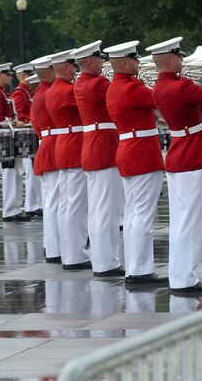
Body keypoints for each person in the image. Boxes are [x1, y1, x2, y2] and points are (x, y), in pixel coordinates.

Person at [148, 37, 202, 295]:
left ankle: (180, 275)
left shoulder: (159, 87)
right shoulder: (180, 86)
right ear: (171, 60)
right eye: (180, 57)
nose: (184, 61)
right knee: (190, 221)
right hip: (191, 154)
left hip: (178, 152)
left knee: (181, 220)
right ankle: (185, 278)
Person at [104, 41, 168, 288]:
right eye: (134, 59)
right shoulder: (132, 87)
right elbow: (161, 98)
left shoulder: (115, 87)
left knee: (133, 214)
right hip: (142, 153)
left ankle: (135, 267)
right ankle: (140, 270)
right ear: (123, 62)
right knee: (142, 214)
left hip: (129, 151)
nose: (138, 62)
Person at [72, 40, 124, 278]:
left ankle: (104, 259)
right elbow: (121, 98)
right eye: (101, 59)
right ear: (91, 61)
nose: (104, 63)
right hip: (103, 147)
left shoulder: (81, 82)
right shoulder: (98, 83)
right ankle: (106, 262)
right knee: (106, 209)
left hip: (93, 145)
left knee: (99, 208)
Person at [45, 48, 92, 270]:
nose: (75, 69)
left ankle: (70, 251)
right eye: (73, 65)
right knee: (76, 205)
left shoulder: (55, 89)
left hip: (65, 145)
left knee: (68, 204)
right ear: (64, 67)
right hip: (73, 146)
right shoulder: (67, 90)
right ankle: (75, 254)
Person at [0, 62, 28, 223]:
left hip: (10, 136)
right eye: (7, 74)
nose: (10, 77)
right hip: (4, 139)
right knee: (10, 174)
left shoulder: (4, 93)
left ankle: (15, 208)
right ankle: (10, 210)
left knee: (16, 173)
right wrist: (13, 121)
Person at [30, 55, 62, 263]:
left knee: (52, 201)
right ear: (49, 73)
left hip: (47, 144)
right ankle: (55, 247)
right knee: (56, 201)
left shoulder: (39, 93)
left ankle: (52, 246)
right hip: (53, 146)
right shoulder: (49, 93)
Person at [10, 63, 42, 216]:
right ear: (23, 76)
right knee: (31, 171)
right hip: (26, 136)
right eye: (29, 74)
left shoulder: (28, 92)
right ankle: (31, 205)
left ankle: (35, 204)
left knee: (34, 170)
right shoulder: (19, 93)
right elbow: (18, 114)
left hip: (33, 133)